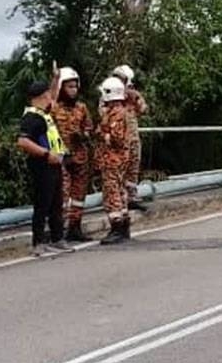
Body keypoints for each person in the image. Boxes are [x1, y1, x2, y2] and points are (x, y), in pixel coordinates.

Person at [17, 80, 74, 256]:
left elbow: (54, 97)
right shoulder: (31, 118)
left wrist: (56, 79)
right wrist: (46, 154)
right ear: (43, 96)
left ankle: (57, 238)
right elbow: (23, 141)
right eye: (49, 94)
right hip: (42, 165)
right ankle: (38, 242)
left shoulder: (44, 113)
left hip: (54, 164)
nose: (52, 97)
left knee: (56, 203)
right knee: (42, 204)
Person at [52, 67, 94, 242]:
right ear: (62, 88)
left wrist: (83, 135)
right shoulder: (54, 108)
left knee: (79, 195)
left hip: (80, 157)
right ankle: (58, 229)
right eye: (69, 87)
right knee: (62, 194)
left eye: (75, 87)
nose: (73, 90)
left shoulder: (81, 108)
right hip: (62, 158)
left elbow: (89, 128)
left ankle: (75, 227)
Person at [96, 77, 131, 245]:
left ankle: (117, 227)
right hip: (116, 159)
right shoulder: (116, 112)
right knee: (120, 191)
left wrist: (102, 133)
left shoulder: (117, 114)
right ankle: (123, 225)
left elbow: (116, 138)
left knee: (112, 193)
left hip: (113, 159)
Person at [111, 65, 149, 211]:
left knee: (133, 167)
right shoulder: (109, 96)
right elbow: (103, 113)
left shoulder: (133, 96)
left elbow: (144, 109)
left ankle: (131, 197)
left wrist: (136, 98)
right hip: (118, 141)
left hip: (133, 138)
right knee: (119, 170)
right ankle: (118, 200)